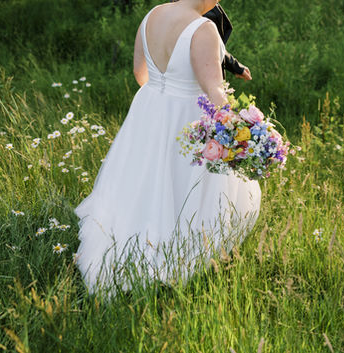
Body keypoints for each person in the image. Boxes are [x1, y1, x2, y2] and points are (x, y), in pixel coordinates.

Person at [74, 0, 261, 296]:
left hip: (149, 110)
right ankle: (173, 255)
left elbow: (140, 72)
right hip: (186, 119)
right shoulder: (204, 28)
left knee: (143, 178)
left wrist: (162, 94)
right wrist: (241, 131)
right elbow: (214, 89)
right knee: (188, 186)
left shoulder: (151, 16)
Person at [172, 0, 252, 81]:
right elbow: (205, 45)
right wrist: (234, 66)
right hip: (201, 73)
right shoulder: (195, 6)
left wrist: (235, 66)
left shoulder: (207, 3)